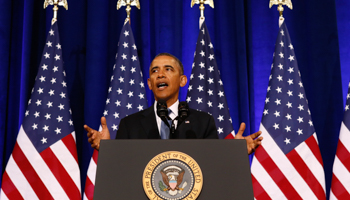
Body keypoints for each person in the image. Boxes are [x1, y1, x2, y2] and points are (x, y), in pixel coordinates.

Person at [84, 53, 262, 154]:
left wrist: (235, 154)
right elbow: (121, 170)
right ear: (150, 83)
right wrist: (106, 150)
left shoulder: (202, 122)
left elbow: (212, 166)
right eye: (155, 71)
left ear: (182, 80)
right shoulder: (130, 124)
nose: (160, 74)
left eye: (168, 69)